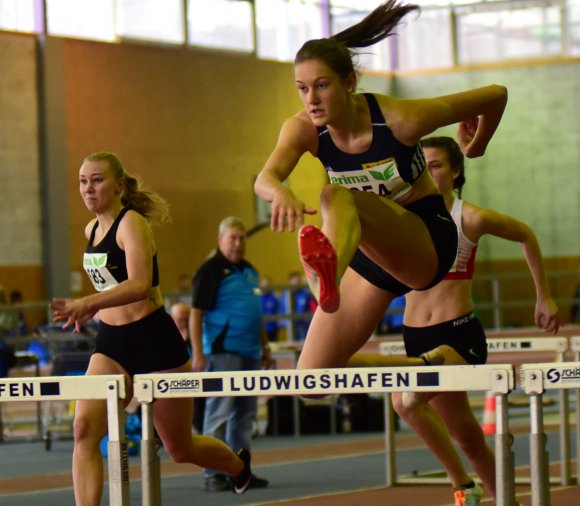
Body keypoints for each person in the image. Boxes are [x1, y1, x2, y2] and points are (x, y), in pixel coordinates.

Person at [253, 0, 508, 372]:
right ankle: (416, 367)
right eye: (302, 88)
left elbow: (496, 94)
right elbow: (266, 178)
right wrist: (280, 192)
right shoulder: (302, 128)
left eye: (321, 86)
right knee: (312, 378)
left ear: (349, 83)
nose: (311, 99)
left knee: (333, 194)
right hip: (369, 253)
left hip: (424, 241)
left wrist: (477, 146)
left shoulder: (400, 120)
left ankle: (325, 277)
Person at [352, 136, 561, 506]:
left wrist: (543, 295)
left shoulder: (470, 217)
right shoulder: (407, 219)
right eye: (424, 166)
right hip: (416, 336)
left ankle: (461, 485)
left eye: (437, 166)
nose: (430, 174)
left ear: (455, 171)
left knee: (405, 402)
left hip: (457, 337)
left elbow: (525, 234)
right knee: (467, 438)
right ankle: (504, 500)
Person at [49, 152, 254, 505]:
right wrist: (92, 310)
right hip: (111, 345)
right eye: (82, 181)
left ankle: (237, 466)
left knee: (179, 447)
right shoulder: (90, 230)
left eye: (97, 180)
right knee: (83, 428)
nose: (88, 188)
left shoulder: (131, 223)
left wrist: (89, 303)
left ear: (119, 185)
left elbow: (141, 284)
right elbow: (110, 287)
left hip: (154, 341)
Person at [190, 216, 273, 492]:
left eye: (241, 238)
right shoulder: (209, 271)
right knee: (218, 414)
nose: (238, 243)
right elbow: (196, 314)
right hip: (223, 352)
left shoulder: (250, 270)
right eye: (232, 238)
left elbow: (256, 312)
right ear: (220, 241)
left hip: (250, 352)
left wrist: (266, 346)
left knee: (244, 416)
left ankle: (240, 471)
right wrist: (199, 354)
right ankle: (213, 473)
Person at [280, 271, 315, 341]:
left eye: (298, 281)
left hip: (302, 325)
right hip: (290, 325)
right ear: (290, 281)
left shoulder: (305, 293)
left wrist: (308, 320)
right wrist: (282, 321)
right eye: (294, 281)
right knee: (291, 345)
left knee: (303, 345)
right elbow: (282, 308)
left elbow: (312, 307)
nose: (296, 283)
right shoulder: (285, 294)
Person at [259, 275, 281, 342]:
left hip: (272, 329)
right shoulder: (256, 297)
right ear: (260, 285)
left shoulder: (274, 297)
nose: (265, 286)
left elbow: (279, 311)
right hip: (260, 330)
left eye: (267, 284)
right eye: (263, 284)